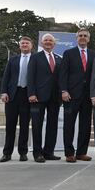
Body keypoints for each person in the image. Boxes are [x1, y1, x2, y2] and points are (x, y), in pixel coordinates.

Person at [59, 28, 95, 163]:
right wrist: (64, 90)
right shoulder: (68, 53)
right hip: (71, 95)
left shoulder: (94, 55)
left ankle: (82, 152)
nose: (82, 37)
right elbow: (63, 74)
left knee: (85, 126)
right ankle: (69, 153)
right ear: (77, 38)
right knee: (69, 125)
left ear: (88, 38)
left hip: (87, 96)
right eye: (80, 35)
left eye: (85, 36)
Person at [27, 33, 62, 163]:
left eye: (50, 41)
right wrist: (31, 93)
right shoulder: (35, 58)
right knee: (37, 126)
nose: (48, 42)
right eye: (46, 40)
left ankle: (49, 152)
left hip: (55, 98)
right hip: (38, 98)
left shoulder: (59, 59)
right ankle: (37, 153)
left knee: (52, 126)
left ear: (54, 44)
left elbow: (61, 78)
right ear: (42, 43)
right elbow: (30, 77)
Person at [0, 36, 33, 163]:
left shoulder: (35, 60)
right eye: (22, 43)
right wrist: (3, 92)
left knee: (24, 126)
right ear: (20, 46)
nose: (24, 45)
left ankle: (23, 153)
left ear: (31, 46)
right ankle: (7, 153)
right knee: (10, 126)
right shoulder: (13, 60)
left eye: (27, 43)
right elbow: (6, 77)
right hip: (12, 96)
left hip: (28, 96)